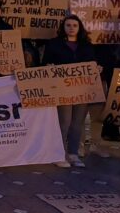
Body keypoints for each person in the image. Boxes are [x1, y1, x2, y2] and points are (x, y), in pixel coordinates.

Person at [44, 15, 95, 168]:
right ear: (63, 27)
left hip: (82, 89)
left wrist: (96, 67)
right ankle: (59, 154)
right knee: (64, 122)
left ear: (79, 28)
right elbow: (45, 62)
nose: (71, 28)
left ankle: (73, 154)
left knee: (77, 123)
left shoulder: (86, 45)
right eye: (68, 25)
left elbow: (93, 62)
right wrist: (49, 66)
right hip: (62, 89)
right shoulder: (54, 44)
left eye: (74, 25)